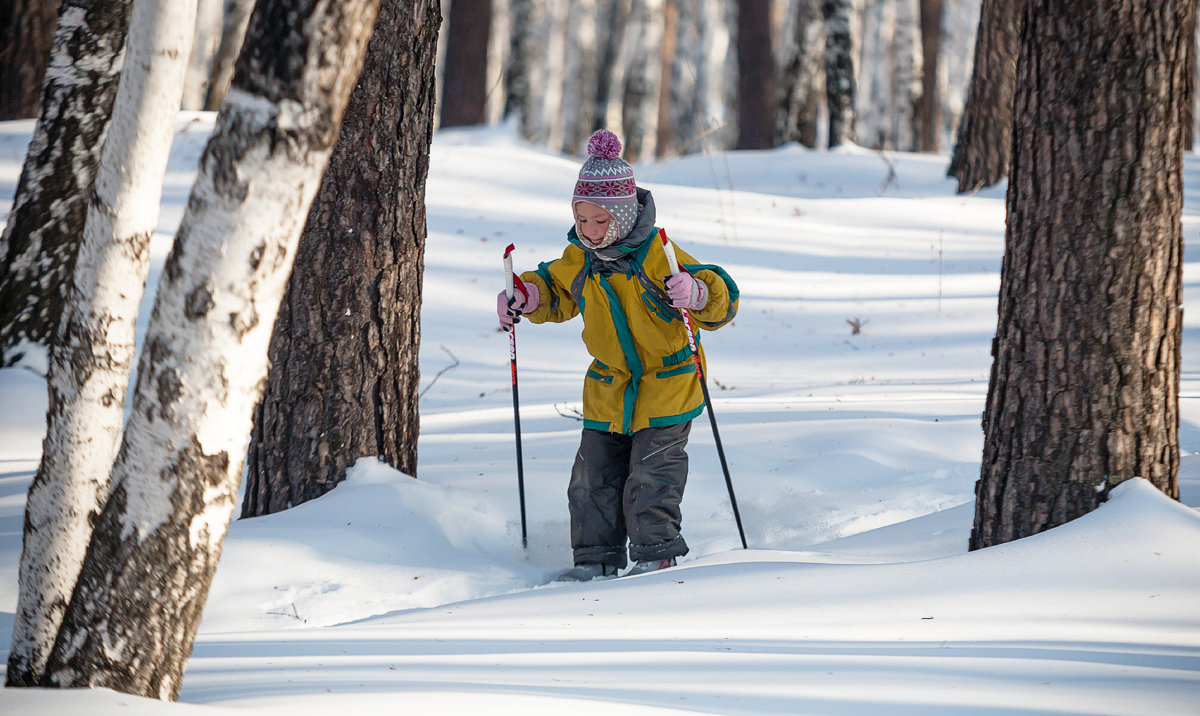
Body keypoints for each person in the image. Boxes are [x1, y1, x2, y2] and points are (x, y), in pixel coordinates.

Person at [497, 129, 739, 581]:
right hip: (610, 389)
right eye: (581, 220)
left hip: (667, 387)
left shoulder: (657, 254)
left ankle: (656, 555)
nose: (588, 232)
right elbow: (552, 288)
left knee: (650, 479)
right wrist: (524, 295)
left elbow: (721, 295)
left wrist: (697, 292)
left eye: (598, 222)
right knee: (591, 480)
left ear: (624, 216)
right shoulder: (582, 258)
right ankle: (596, 559)